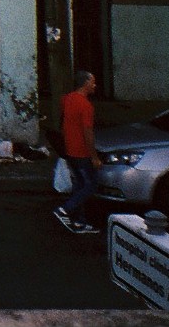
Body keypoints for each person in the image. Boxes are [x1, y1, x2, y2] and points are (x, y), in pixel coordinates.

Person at [55, 69, 100, 234]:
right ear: (86, 83)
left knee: (79, 185)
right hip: (81, 152)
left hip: (69, 150)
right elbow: (88, 132)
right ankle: (65, 209)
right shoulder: (86, 106)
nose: (95, 85)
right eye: (93, 82)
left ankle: (79, 222)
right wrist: (94, 157)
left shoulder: (66, 99)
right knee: (91, 185)